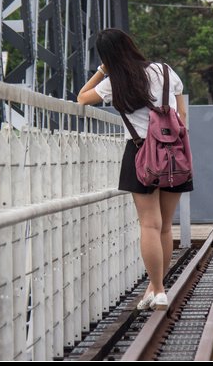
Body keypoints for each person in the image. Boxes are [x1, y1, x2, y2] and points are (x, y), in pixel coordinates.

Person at [77, 28, 192, 311]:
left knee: (149, 225)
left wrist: (102, 71)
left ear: (108, 57)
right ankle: (157, 288)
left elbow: (81, 97)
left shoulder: (115, 81)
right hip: (173, 153)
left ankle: (158, 288)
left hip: (140, 153)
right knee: (165, 226)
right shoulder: (164, 71)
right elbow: (181, 114)